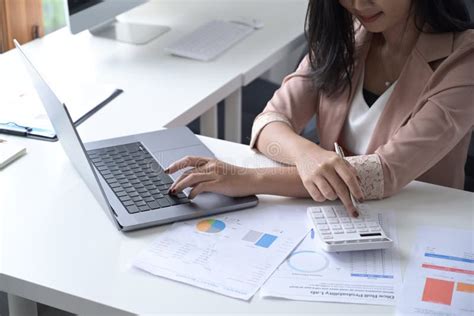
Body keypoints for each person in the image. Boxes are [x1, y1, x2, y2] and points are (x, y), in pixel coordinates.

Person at [165, 0, 474, 217]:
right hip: (328, 212)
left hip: (419, 223)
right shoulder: (348, 35)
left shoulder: (464, 59)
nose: (358, 3)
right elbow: (269, 121)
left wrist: (248, 178)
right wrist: (308, 155)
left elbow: (383, 172)